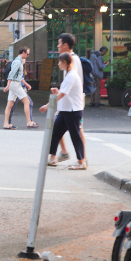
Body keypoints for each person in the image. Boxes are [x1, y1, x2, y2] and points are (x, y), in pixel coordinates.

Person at [41, 53, 86, 170]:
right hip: (65, 110)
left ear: (65, 63)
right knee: (55, 133)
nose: (58, 64)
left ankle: (81, 162)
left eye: (60, 62)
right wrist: (58, 91)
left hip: (72, 111)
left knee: (75, 136)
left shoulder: (71, 75)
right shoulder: (68, 75)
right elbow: (64, 92)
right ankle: (52, 158)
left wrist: (47, 106)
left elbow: (63, 94)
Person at [54, 33, 86, 164]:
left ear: (65, 45)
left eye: (59, 43)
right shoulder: (68, 59)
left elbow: (74, 81)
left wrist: (61, 94)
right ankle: (64, 152)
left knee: (78, 130)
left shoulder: (73, 60)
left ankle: (82, 158)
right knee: (58, 127)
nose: (58, 46)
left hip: (73, 103)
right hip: (67, 102)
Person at [3, 47, 36, 129]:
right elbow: (11, 74)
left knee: (9, 104)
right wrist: (7, 85)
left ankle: (6, 124)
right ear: (23, 52)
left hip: (14, 84)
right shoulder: (18, 61)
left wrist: (26, 84)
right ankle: (29, 122)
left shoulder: (18, 61)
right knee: (27, 102)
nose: (28, 56)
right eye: (27, 54)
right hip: (15, 85)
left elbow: (18, 76)